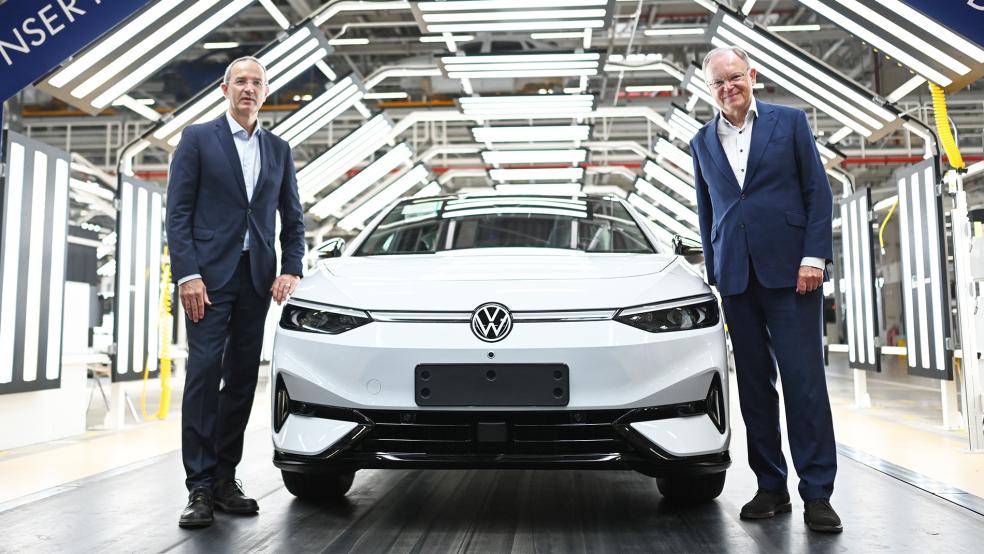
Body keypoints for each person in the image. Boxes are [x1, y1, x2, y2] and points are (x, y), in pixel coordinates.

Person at [689, 46, 842, 533]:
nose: (728, 87)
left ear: (752, 75)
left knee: (804, 385)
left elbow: (817, 192)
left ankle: (817, 492)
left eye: (734, 77)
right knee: (754, 387)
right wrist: (715, 274)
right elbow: (708, 211)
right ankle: (770, 486)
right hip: (736, 279)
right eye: (718, 83)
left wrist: (813, 257)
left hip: (794, 274)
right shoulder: (701, 141)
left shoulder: (789, 122)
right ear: (709, 90)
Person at [166, 56, 305, 529]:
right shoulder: (198, 139)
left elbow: (293, 218)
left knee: (243, 378)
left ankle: (225, 477)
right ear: (224, 90)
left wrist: (292, 268)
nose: (249, 89)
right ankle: (199, 487)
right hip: (206, 279)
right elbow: (178, 213)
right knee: (204, 375)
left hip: (257, 279)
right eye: (241, 82)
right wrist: (187, 275)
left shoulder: (279, 149)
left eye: (257, 82)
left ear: (265, 92)